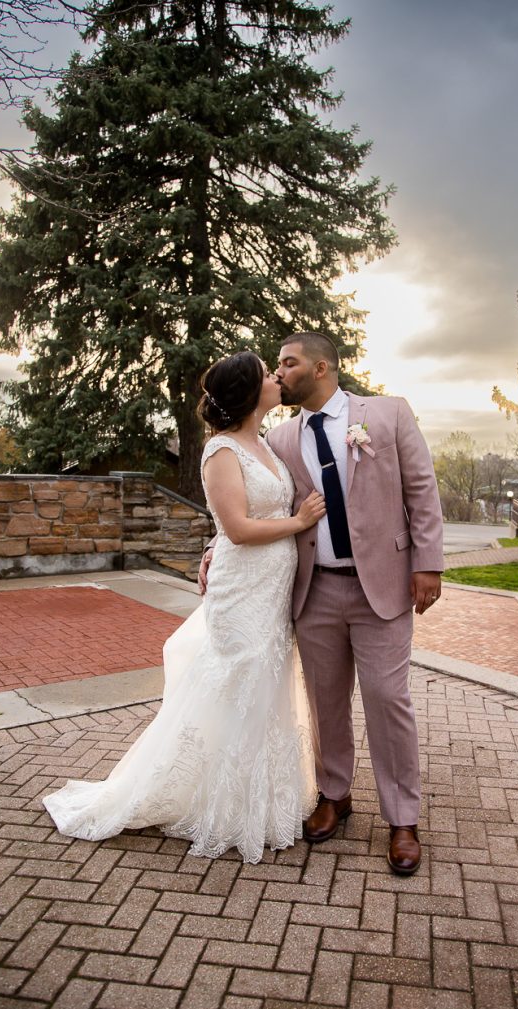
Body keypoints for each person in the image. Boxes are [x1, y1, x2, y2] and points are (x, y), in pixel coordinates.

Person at [43, 351, 325, 864]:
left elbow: (227, 529)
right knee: (239, 680)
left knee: (267, 683)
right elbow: (237, 528)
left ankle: (258, 798)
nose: (274, 378)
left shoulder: (262, 442)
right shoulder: (220, 451)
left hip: (272, 586)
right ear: (246, 391)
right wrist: (299, 522)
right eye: (266, 373)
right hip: (242, 590)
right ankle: (217, 803)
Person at [201, 332, 443, 875]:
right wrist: (214, 547)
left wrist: (428, 563)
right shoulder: (281, 439)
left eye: (287, 363)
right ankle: (334, 793)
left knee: (388, 697)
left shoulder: (387, 415)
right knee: (324, 700)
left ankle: (403, 818)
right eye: (277, 365)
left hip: (383, 584)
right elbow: (244, 501)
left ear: (322, 367)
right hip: (315, 589)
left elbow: (422, 492)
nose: (280, 372)